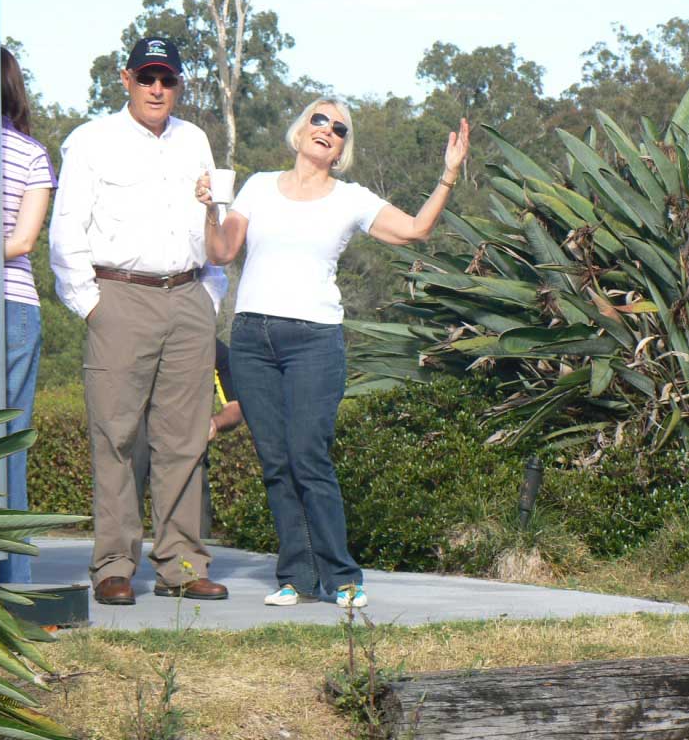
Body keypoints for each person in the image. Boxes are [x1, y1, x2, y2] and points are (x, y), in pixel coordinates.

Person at [196, 97, 470, 608]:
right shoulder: (257, 186)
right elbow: (222, 251)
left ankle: (343, 578)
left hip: (314, 341)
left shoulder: (350, 199)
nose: (327, 129)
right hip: (252, 338)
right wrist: (211, 208)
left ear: (342, 149)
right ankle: (296, 579)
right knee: (276, 461)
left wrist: (449, 175)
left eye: (339, 128)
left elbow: (416, 230)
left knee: (308, 456)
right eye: (319, 120)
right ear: (300, 132)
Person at [49, 37, 229, 605]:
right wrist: (91, 304)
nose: (156, 89)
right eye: (147, 77)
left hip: (189, 296)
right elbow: (66, 229)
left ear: (179, 85)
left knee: (184, 440)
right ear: (126, 79)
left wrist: (211, 294)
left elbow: (215, 218)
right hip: (119, 297)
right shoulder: (91, 140)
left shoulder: (194, 140)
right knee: (117, 436)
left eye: (167, 79)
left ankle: (182, 564)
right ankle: (113, 565)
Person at [0, 47, 56, 584]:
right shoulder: (31, 154)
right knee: (12, 438)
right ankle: (13, 578)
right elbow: (23, 241)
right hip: (16, 302)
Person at [132, 338, 244, 538]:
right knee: (123, 507)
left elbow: (235, 408)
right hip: (136, 431)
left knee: (192, 532)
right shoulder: (136, 339)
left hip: (186, 439)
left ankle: (191, 554)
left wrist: (215, 423)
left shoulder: (213, 349)